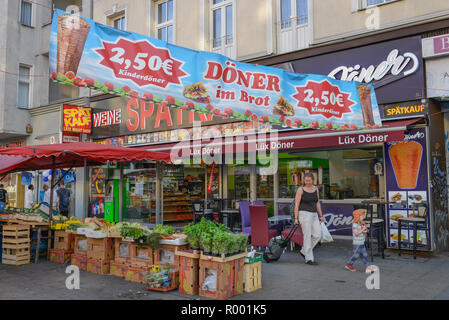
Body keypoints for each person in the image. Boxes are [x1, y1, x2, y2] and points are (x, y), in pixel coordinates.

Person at [294, 172, 325, 265]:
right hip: (304, 214)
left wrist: (321, 215)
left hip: (314, 214)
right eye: (306, 180)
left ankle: (304, 251)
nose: (307, 182)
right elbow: (296, 204)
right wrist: (296, 218)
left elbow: (317, 203)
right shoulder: (300, 190)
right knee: (307, 236)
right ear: (304, 180)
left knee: (317, 235)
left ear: (312, 180)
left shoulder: (316, 189)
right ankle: (309, 258)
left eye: (309, 180)